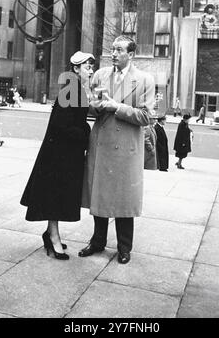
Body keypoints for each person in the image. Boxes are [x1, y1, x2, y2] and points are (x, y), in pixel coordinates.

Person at [80, 35, 155, 265]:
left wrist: (117, 106)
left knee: (124, 201)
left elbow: (147, 116)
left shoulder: (144, 79)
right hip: (102, 144)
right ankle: (98, 242)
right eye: (112, 49)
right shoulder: (100, 75)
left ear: (131, 54)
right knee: (100, 197)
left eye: (119, 50)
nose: (113, 53)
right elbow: (90, 108)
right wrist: (93, 103)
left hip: (126, 149)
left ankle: (124, 248)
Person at [20, 51, 95, 260]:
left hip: (64, 152)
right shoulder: (72, 90)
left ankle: (51, 233)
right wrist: (85, 134)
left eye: (91, 67)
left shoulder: (75, 89)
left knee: (57, 195)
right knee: (56, 195)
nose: (91, 70)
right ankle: (53, 237)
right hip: (60, 155)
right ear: (76, 69)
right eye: (87, 67)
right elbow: (60, 126)